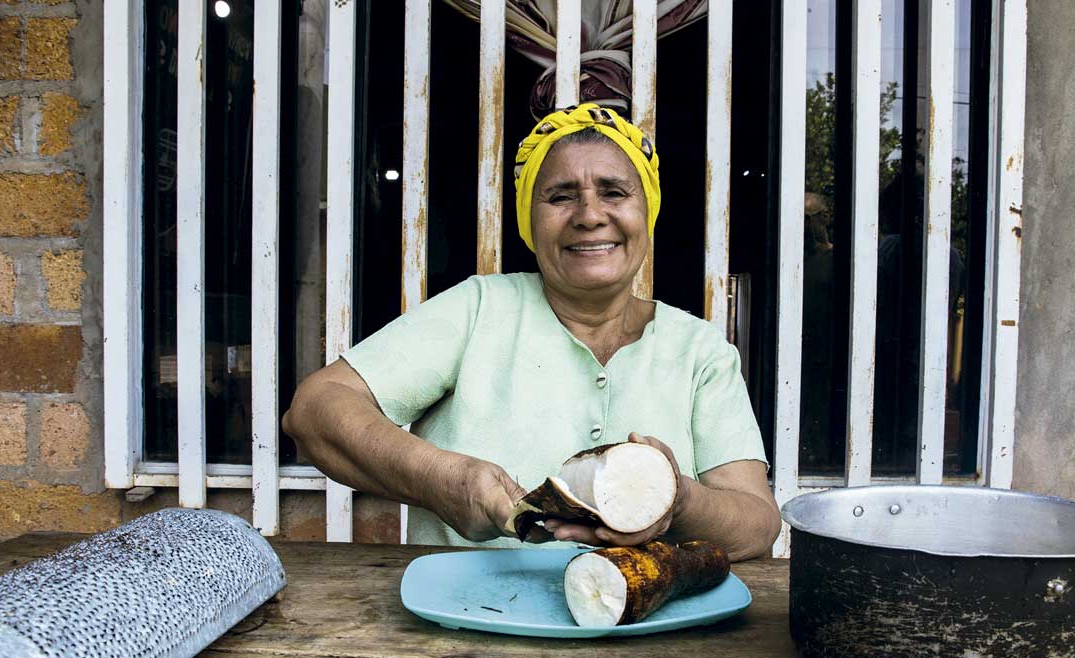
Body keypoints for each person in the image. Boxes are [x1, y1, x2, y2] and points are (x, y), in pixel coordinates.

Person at [283, 103, 779, 561]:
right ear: (530, 220)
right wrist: (442, 480)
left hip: (652, 625)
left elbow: (757, 523)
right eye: (561, 196)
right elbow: (315, 409)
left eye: (614, 192)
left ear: (646, 211)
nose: (590, 216)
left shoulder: (698, 351)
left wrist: (676, 500)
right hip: (465, 619)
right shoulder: (478, 310)